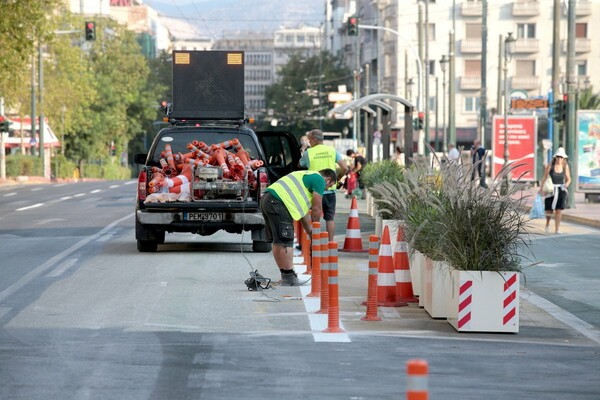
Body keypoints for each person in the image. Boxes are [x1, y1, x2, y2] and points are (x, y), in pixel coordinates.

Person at [260, 168, 337, 286]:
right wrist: (316, 230)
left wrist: (311, 232)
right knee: (286, 241)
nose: (325, 190)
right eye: (328, 187)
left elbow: (303, 214)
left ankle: (286, 275)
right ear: (328, 179)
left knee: (278, 241)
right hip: (278, 202)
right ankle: (289, 277)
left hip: (268, 199)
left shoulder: (305, 176)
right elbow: (317, 208)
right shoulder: (319, 179)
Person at [299, 129, 349, 241]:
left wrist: (302, 151)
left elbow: (299, 164)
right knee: (329, 218)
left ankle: (315, 241)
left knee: (315, 219)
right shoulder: (332, 151)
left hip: (314, 191)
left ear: (314, 139)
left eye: (309, 140)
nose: (309, 143)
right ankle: (330, 243)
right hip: (330, 191)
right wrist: (337, 179)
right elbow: (345, 168)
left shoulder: (309, 152)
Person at [539, 147, 571, 234]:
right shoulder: (550, 166)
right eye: (558, 156)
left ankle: (557, 229)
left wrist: (566, 184)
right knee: (549, 210)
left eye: (561, 157)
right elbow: (544, 177)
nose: (559, 158)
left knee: (558, 210)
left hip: (561, 190)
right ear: (555, 157)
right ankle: (547, 223)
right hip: (550, 190)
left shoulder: (565, 166)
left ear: (564, 158)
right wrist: (541, 189)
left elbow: (569, 179)